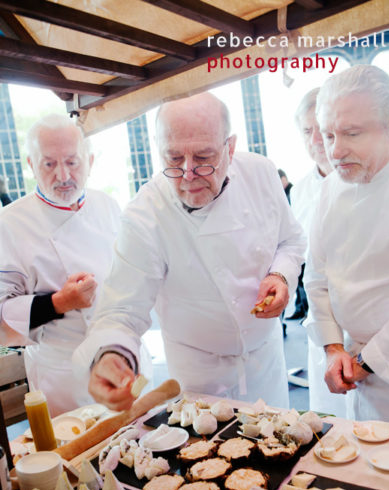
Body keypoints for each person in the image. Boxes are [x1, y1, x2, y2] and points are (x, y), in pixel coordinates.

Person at [74, 92, 306, 412]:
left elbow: (291, 242)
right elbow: (122, 310)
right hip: (199, 376)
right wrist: (111, 355)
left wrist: (280, 275)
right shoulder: (146, 213)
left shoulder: (262, 174)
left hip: (265, 360)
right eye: (173, 159)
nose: (187, 173)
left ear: (231, 147)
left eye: (203, 157)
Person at [0, 114, 121, 416]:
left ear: (90, 161)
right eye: (49, 164)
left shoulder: (107, 206)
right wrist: (60, 302)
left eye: (72, 161)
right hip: (64, 373)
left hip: (121, 358)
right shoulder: (10, 223)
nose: (63, 175)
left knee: (141, 452)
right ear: (31, 164)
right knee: (77, 456)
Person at [304, 64, 389, 424]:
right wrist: (333, 349)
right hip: (351, 367)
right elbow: (316, 277)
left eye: (352, 133)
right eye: (328, 136)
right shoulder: (330, 188)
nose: (336, 150)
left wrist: (367, 361)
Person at [290, 89, 342, 416]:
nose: (315, 140)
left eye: (320, 130)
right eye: (306, 132)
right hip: (319, 307)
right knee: (328, 416)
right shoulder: (300, 190)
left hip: (363, 309)